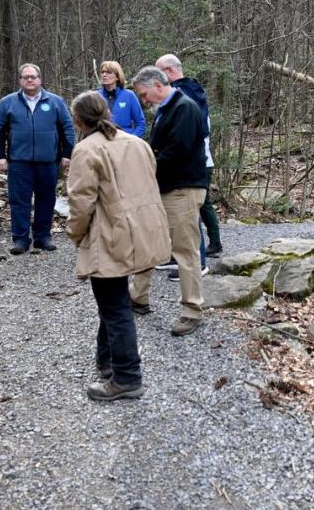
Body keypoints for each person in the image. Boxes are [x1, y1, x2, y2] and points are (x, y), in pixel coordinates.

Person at [66, 91, 170, 401]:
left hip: (110, 234)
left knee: (114, 306)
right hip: (143, 231)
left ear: (78, 121)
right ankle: (107, 361)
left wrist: (76, 234)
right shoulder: (137, 143)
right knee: (113, 302)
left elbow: (80, 202)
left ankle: (126, 376)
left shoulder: (86, 150)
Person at [129, 65, 209, 336]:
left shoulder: (184, 107)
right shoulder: (166, 109)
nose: (144, 100)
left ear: (158, 85)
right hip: (165, 188)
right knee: (148, 243)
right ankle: (137, 297)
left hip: (183, 190)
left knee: (185, 252)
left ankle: (192, 310)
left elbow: (178, 151)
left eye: (144, 94)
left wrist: (146, 166)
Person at [0, 63, 75, 254]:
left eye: (33, 77)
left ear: (40, 79)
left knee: (46, 199)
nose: (30, 80)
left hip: (49, 161)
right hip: (19, 161)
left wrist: (67, 154)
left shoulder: (55, 101)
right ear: (20, 80)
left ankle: (43, 237)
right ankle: (20, 239)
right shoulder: (7, 102)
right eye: (25, 77)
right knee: (19, 200)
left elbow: (67, 128)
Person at [155, 54, 223, 258]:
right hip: (197, 161)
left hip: (195, 163)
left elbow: (187, 137)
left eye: (158, 72)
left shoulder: (183, 97)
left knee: (192, 212)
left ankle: (198, 257)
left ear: (169, 71)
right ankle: (204, 247)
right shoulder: (190, 92)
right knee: (200, 208)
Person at [97, 60, 145, 137]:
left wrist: (132, 140)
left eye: (108, 72)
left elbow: (140, 123)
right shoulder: (96, 96)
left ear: (117, 76)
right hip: (103, 142)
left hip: (125, 141)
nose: (104, 75)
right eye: (102, 72)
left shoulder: (129, 95)